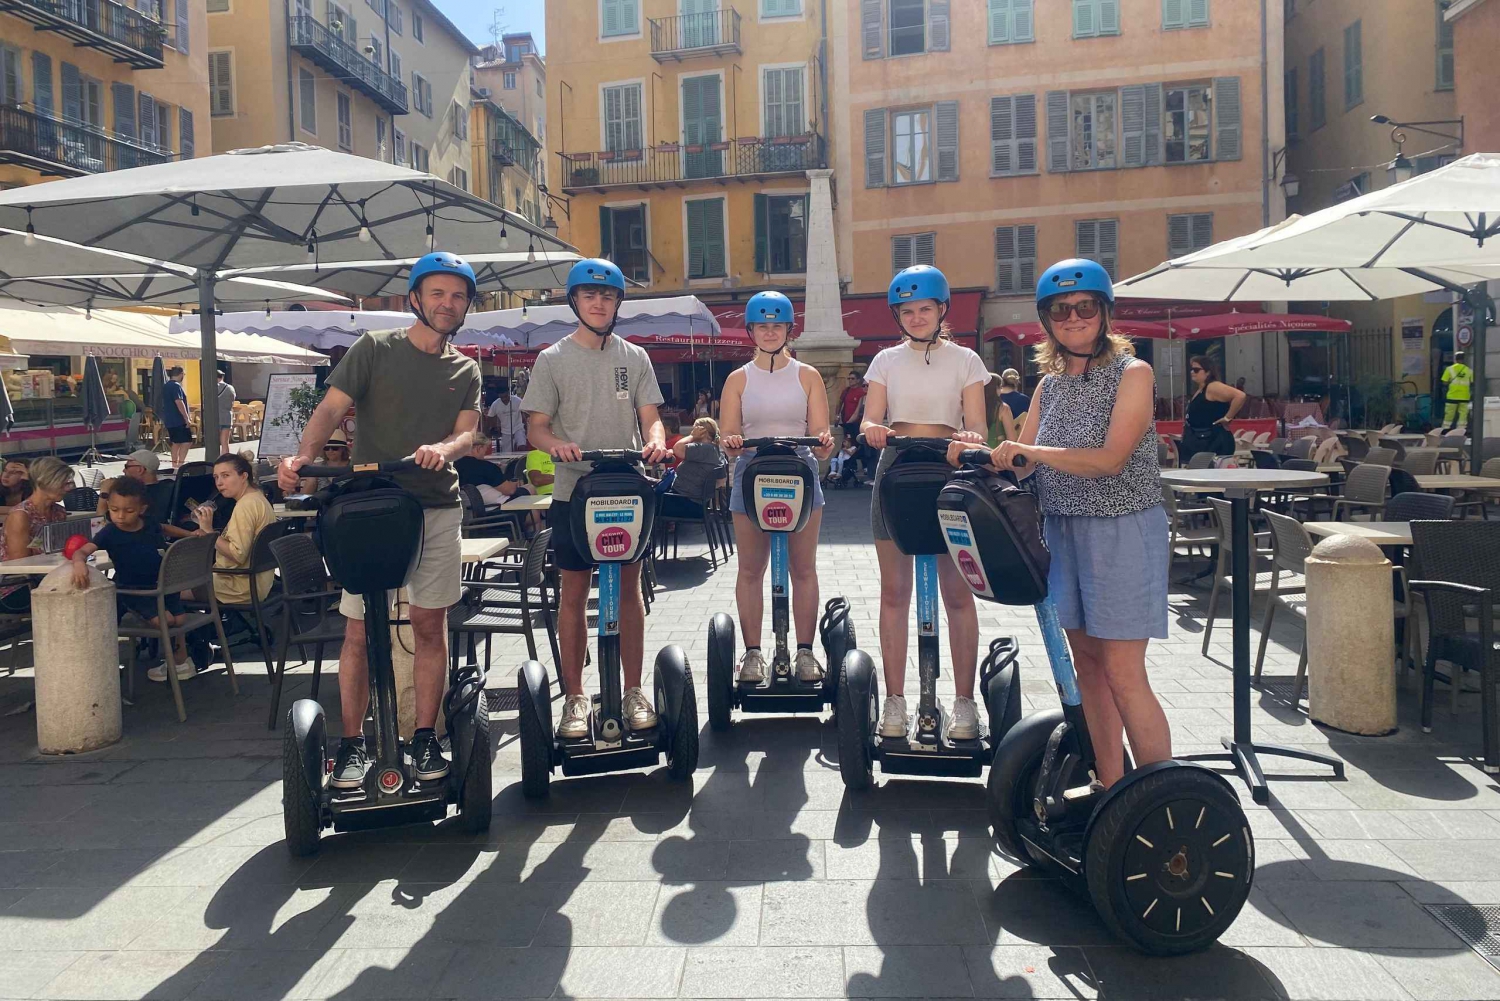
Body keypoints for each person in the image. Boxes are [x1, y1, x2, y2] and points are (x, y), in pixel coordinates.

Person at [952, 258, 1171, 788]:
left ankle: (1163, 795)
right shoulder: (1048, 386)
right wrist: (984, 452)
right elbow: (1027, 460)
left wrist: (1032, 451)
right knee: (1088, 671)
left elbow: (1110, 458)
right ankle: (1111, 786)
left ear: (1104, 312)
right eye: (1060, 310)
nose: (1073, 317)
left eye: (1085, 307)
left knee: (1123, 672)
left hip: (1123, 528)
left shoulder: (1133, 374)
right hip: (1062, 532)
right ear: (1047, 320)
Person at [278, 251, 482, 789]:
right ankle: (351, 745)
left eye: (458, 296)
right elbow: (329, 409)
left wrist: (444, 448)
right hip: (371, 505)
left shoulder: (465, 367)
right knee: (358, 630)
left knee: (428, 625)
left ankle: (424, 738)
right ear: (416, 297)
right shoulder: (374, 349)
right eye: (437, 293)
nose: (447, 303)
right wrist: (302, 460)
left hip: (435, 505)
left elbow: (467, 433)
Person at [521, 258, 669, 740]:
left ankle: (632, 689)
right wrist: (554, 445)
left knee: (630, 590)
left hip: (625, 488)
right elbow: (536, 426)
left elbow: (651, 416)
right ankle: (575, 696)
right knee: (573, 593)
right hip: (573, 491)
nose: (599, 303)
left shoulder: (635, 357)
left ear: (618, 303)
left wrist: (655, 439)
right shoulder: (553, 359)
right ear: (575, 302)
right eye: (590, 296)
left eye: (607, 296)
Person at [861, 265, 989, 741]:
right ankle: (894, 701)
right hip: (895, 470)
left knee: (958, 594)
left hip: (949, 469)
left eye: (925, 309)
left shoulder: (966, 360)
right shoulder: (885, 361)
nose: (916, 317)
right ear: (898, 316)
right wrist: (871, 428)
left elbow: (976, 423)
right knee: (894, 593)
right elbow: (871, 418)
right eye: (908, 311)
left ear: (941, 311)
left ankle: (963, 703)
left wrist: (972, 436)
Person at [719, 292, 836, 684]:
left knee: (803, 569)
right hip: (752, 471)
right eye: (763, 326)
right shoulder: (737, 380)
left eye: (777, 325)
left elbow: (820, 432)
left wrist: (823, 441)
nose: (770, 332)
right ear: (752, 331)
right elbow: (728, 432)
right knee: (751, 569)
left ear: (789, 330)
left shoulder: (808, 376)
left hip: (798, 470)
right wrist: (732, 441)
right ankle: (753, 654)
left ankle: (804, 652)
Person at [71, 476, 195, 681]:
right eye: (114, 509)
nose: (120, 516)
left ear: (142, 509)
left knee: (179, 619)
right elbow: (83, 551)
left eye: (128, 511)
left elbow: (164, 527)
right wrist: (78, 563)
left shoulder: (149, 523)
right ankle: (176, 661)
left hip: (160, 586)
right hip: (132, 590)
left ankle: (179, 662)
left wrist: (189, 534)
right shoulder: (109, 532)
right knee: (168, 619)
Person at [194, 452, 275, 611]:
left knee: (169, 588)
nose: (219, 483)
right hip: (259, 581)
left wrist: (208, 530)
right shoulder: (258, 498)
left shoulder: (245, 506)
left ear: (244, 476)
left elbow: (238, 554)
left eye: (225, 475)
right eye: (216, 477)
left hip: (238, 587)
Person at [0, 457, 72, 613]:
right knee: (75, 597)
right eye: (63, 483)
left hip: (48, 579)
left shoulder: (59, 512)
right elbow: (19, 566)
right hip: (12, 587)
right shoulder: (21, 515)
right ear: (45, 482)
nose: (68, 488)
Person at [99, 450, 184, 537]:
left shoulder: (133, 496)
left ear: (140, 470)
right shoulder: (170, 486)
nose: (123, 470)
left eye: (126, 466)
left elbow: (100, 522)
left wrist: (104, 492)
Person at [1178, 355, 1246, 463]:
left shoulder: (1213, 386)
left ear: (1208, 372)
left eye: (1196, 370)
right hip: (1200, 440)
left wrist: (1228, 417)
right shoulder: (1201, 389)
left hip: (1213, 441)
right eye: (1191, 369)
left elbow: (1240, 396)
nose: (1192, 372)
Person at [660, 417, 727, 518]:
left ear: (701, 431)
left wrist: (691, 436)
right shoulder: (715, 451)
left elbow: (677, 449)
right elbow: (721, 482)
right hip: (697, 503)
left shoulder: (703, 448)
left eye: (694, 429)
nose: (692, 432)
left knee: (648, 499)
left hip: (685, 503)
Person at [161, 366, 193, 469]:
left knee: (176, 442)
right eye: (183, 374)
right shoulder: (176, 386)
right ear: (180, 374)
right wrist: (186, 417)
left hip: (170, 419)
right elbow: (179, 402)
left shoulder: (166, 386)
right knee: (186, 441)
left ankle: (175, 465)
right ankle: (180, 464)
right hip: (179, 419)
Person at [485, 378, 527, 452]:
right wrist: (493, 428)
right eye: (502, 397)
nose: (504, 399)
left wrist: (526, 425)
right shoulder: (495, 404)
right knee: (506, 453)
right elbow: (490, 417)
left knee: (522, 446)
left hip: (518, 428)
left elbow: (526, 413)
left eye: (505, 396)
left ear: (508, 393)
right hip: (505, 431)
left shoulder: (517, 401)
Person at [1441, 350, 1474, 431]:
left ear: (1455, 359)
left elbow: (1444, 382)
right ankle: (1461, 429)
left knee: (1449, 413)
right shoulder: (1469, 370)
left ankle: (1446, 429)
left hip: (1452, 395)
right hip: (1465, 396)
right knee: (1463, 414)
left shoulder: (1449, 369)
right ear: (1464, 359)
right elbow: (1472, 382)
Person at [215, 369, 236, 458]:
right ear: (222, 376)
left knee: (214, 443)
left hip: (215, 417)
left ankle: (215, 460)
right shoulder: (230, 388)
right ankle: (225, 459)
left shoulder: (212, 387)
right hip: (227, 416)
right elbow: (233, 400)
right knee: (225, 443)